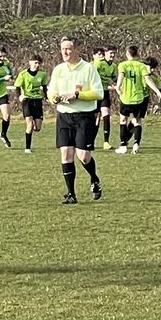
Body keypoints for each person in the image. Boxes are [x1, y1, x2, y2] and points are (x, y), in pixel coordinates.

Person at [46, 36, 103, 203]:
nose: (65, 52)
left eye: (69, 49)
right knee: (66, 153)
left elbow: (98, 93)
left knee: (83, 156)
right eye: (63, 49)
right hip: (64, 116)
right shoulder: (58, 69)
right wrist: (54, 98)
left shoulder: (88, 69)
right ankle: (71, 194)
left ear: (77, 50)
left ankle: (94, 179)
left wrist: (77, 95)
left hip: (84, 117)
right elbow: (51, 91)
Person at [114, 45, 161, 154]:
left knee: (123, 120)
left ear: (127, 54)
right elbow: (148, 78)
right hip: (139, 98)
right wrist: (157, 91)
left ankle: (123, 145)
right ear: (137, 54)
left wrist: (118, 86)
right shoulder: (141, 66)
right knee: (137, 121)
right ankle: (136, 144)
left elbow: (121, 76)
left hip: (126, 97)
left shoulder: (122, 65)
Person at [13, 54, 48, 154]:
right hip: (27, 100)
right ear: (30, 62)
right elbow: (17, 87)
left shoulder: (42, 74)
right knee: (29, 125)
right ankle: (27, 148)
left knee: (37, 128)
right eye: (35, 62)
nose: (37, 65)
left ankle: (32, 126)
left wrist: (46, 97)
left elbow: (44, 87)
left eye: (39, 63)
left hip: (37, 101)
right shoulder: (23, 74)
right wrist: (19, 96)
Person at [93, 46, 118, 150]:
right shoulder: (99, 64)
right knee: (95, 119)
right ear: (105, 53)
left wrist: (116, 84)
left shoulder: (114, 66)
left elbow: (114, 78)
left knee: (106, 115)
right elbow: (93, 77)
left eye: (114, 53)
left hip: (105, 93)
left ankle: (106, 142)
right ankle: (90, 140)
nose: (112, 55)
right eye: (110, 53)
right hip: (95, 93)